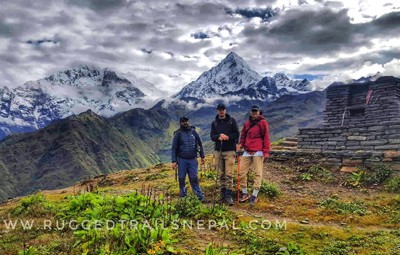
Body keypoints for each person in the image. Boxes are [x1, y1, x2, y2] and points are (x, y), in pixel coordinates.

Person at [237, 105, 270, 206]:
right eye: (253, 111)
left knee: (257, 173)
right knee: (241, 172)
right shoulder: (247, 124)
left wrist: (266, 151)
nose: (254, 113)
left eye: (256, 111)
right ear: (250, 112)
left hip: (258, 151)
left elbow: (266, 137)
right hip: (247, 150)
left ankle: (254, 195)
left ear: (259, 112)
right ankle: (245, 193)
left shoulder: (263, 123)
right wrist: (240, 145)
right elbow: (243, 136)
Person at [210, 103, 239, 206]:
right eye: (219, 110)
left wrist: (227, 137)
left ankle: (229, 195)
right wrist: (219, 136)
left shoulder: (232, 121)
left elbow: (236, 134)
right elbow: (212, 136)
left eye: (223, 109)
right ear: (217, 111)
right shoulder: (214, 123)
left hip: (230, 150)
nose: (221, 111)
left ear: (225, 110)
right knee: (220, 173)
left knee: (229, 174)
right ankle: (222, 195)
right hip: (218, 150)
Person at [172, 116, 206, 202]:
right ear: (180, 123)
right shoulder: (178, 134)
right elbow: (174, 148)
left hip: (192, 159)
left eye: (186, 121)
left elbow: (199, 143)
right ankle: (183, 196)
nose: (185, 123)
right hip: (182, 159)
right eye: (183, 121)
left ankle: (199, 197)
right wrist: (174, 161)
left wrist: (202, 156)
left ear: (188, 121)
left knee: (194, 178)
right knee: (181, 178)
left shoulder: (193, 132)